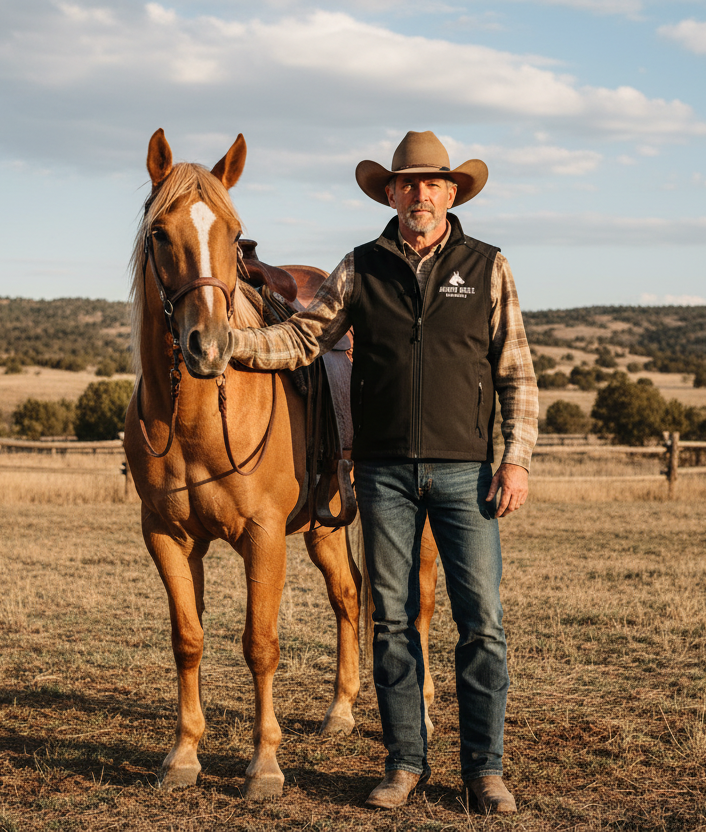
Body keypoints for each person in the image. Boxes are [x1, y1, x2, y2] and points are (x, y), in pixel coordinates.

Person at [229, 131, 538, 814]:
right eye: (408, 183)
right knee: (392, 622)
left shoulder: (488, 266)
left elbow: (516, 369)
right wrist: (232, 344)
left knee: (481, 623)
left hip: (466, 473)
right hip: (384, 472)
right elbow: (305, 337)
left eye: (434, 183)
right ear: (391, 193)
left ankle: (485, 770)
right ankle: (404, 764)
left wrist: (515, 458)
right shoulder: (360, 266)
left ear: (453, 193)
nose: (421, 194)